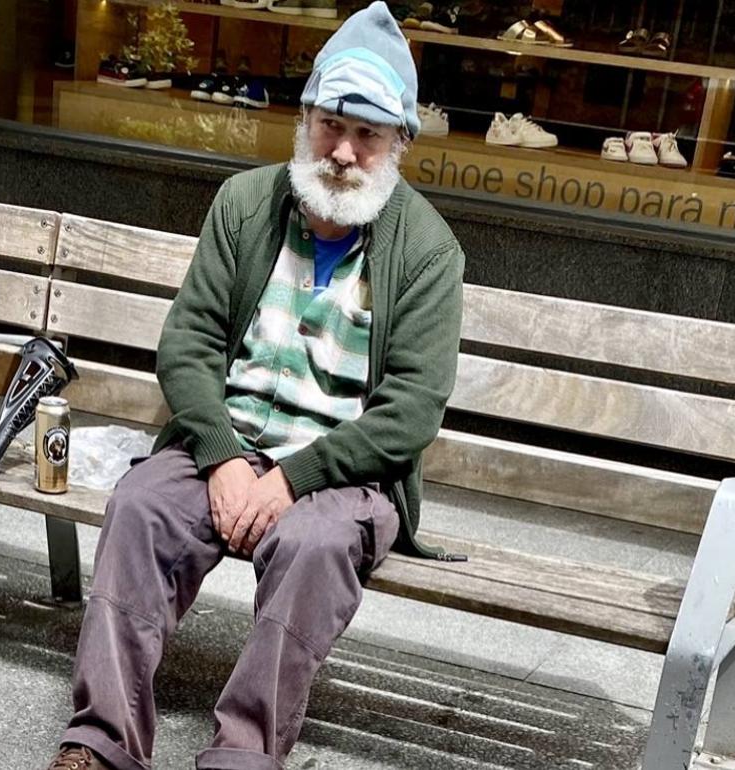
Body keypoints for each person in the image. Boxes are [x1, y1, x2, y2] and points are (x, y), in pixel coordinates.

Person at [47, 3, 465, 768]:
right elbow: (189, 343)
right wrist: (222, 456)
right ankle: (102, 744)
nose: (342, 150)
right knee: (140, 507)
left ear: (399, 143)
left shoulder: (429, 252)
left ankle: (241, 757)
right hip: (228, 443)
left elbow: (411, 411)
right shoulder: (245, 203)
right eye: (330, 125)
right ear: (305, 118)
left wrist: (291, 480)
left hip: (342, 473)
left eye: (367, 135)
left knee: (312, 545)